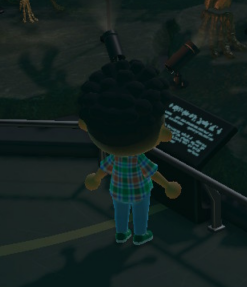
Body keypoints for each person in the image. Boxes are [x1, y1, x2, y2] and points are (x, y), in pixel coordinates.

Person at [77, 59, 182, 245]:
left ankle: (121, 233)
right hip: (140, 191)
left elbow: (104, 169)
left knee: (121, 211)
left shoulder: (114, 159)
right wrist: (167, 185)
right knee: (140, 212)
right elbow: (152, 173)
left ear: (85, 126)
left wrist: (96, 178)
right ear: (161, 133)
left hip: (118, 191)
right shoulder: (138, 159)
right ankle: (140, 234)